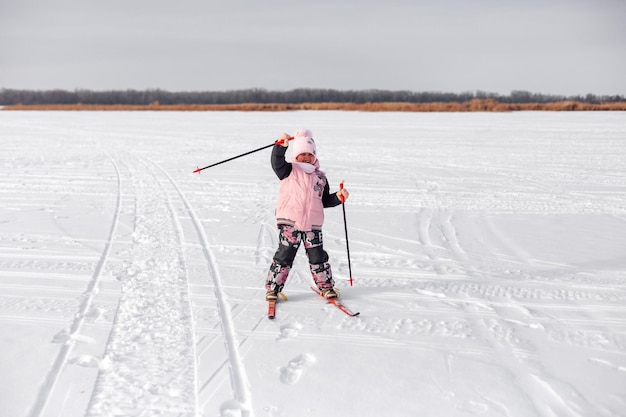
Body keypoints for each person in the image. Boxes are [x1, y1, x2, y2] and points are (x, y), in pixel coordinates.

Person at [265, 128, 349, 301]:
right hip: (290, 222)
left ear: (315, 156)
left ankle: (327, 287)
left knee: (318, 257)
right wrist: (280, 146)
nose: (306, 157)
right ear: (296, 155)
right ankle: (273, 288)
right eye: (302, 154)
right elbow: (276, 162)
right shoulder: (288, 170)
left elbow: (324, 200)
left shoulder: (320, 178)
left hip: (313, 224)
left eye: (310, 154)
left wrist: (338, 198)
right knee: (284, 255)